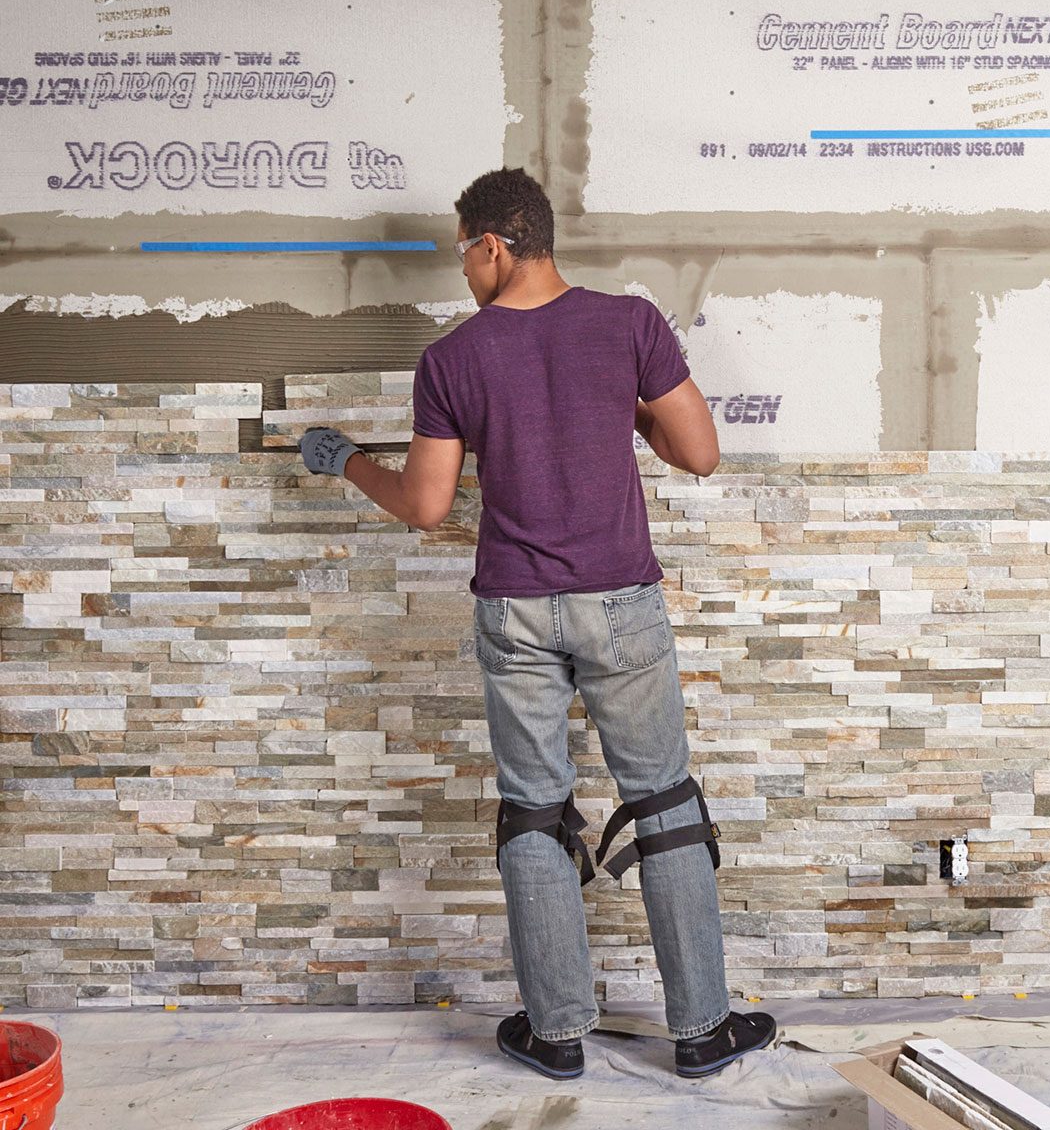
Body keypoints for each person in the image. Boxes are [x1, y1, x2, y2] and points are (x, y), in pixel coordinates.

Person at [299, 167, 775, 1080]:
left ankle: (556, 1036)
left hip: (515, 609)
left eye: (464, 255)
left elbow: (427, 505)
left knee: (534, 811)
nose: (463, 276)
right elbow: (699, 453)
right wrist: (615, 406)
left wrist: (349, 461)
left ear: (492, 245)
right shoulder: (630, 324)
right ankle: (702, 1032)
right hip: (621, 604)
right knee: (666, 807)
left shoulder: (452, 359)